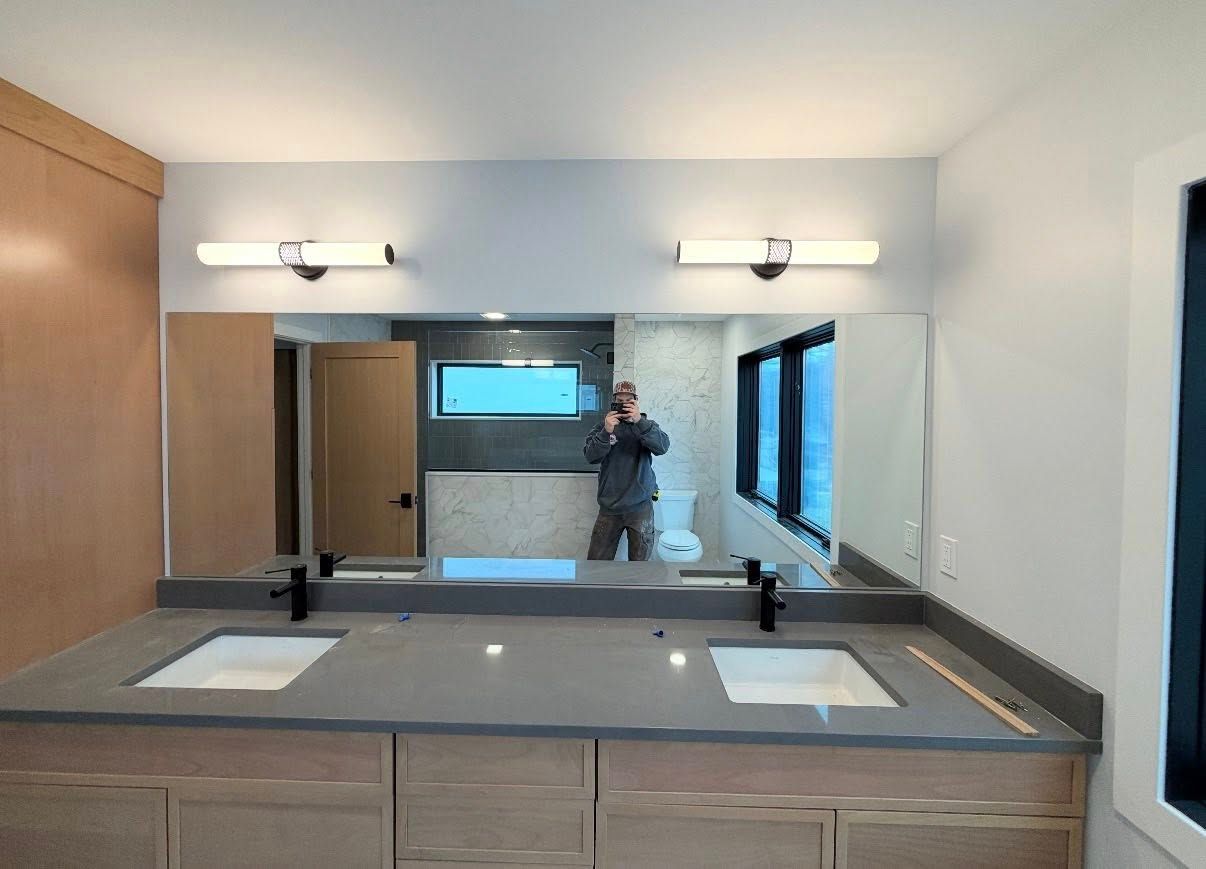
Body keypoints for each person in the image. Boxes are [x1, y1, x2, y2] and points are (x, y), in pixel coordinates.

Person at [583, 380, 670, 560]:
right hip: (609, 506)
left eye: (628, 400)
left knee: (639, 566)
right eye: (619, 400)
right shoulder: (603, 427)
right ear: (613, 402)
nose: (623, 404)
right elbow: (591, 457)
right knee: (596, 564)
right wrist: (607, 432)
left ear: (636, 402)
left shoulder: (647, 425)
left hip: (641, 506)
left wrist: (639, 422)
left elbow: (662, 447)